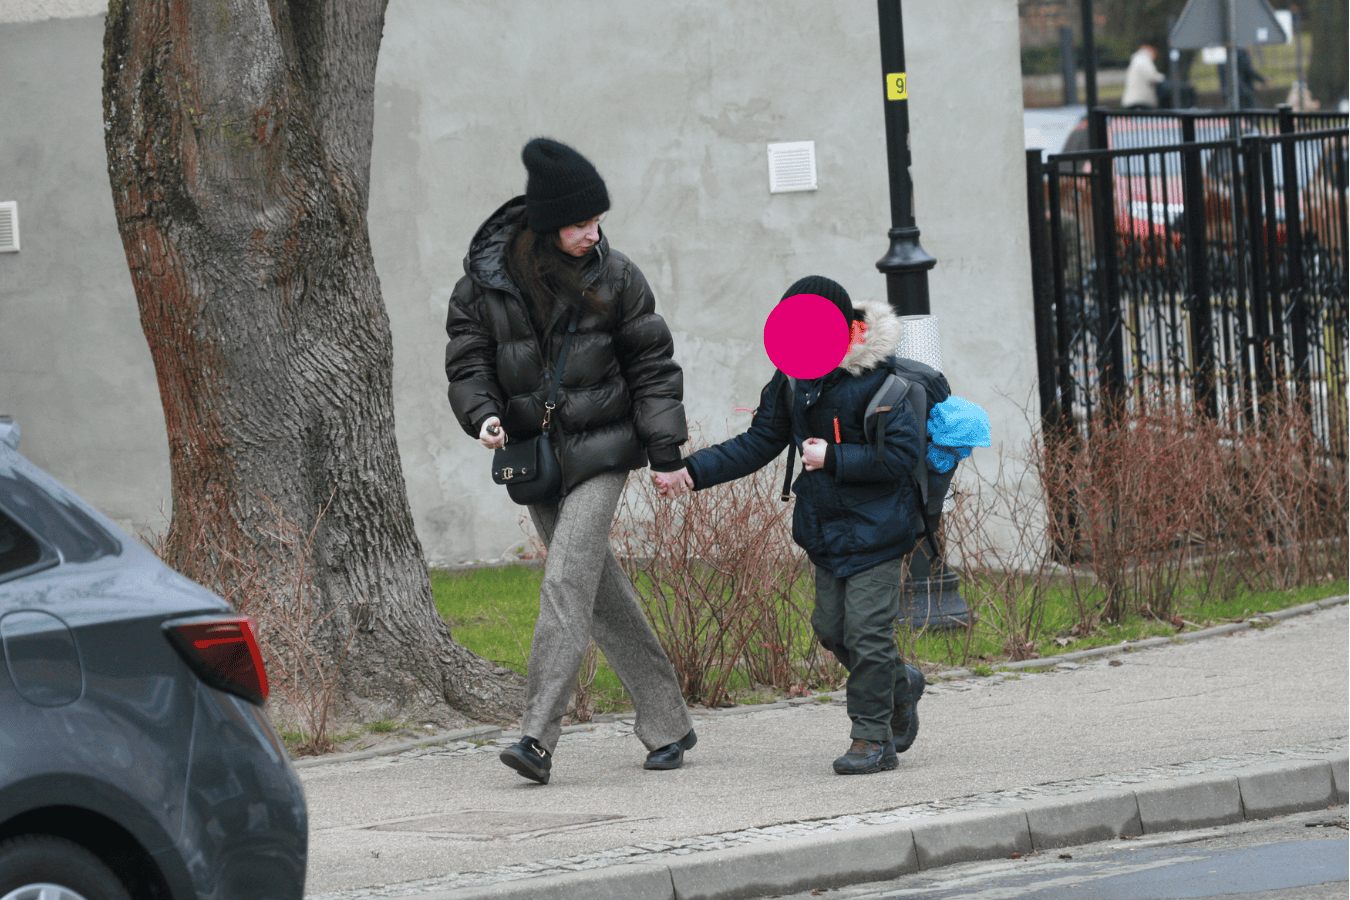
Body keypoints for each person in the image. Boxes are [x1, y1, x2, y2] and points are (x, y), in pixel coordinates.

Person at [445, 137, 696, 785]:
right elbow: (468, 357)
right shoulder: (487, 283)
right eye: (582, 222)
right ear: (547, 221)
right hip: (534, 456)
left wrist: (665, 447)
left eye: (598, 221)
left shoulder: (617, 277)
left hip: (605, 446)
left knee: (564, 579)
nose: (595, 233)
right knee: (596, 588)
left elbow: (652, 365)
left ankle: (536, 736)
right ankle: (668, 722)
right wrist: (484, 415)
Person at [653, 276, 926, 775]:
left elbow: (903, 457)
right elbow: (759, 441)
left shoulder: (882, 383)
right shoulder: (793, 379)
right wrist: (691, 473)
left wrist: (835, 457)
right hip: (826, 531)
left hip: (879, 530)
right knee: (831, 630)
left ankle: (872, 740)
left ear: (846, 330)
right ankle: (900, 684)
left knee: (867, 635)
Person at [1122, 44, 1165, 109]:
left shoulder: (1136, 59)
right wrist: (1162, 78)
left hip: (1133, 100)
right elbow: (1151, 76)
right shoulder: (1144, 59)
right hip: (1140, 100)